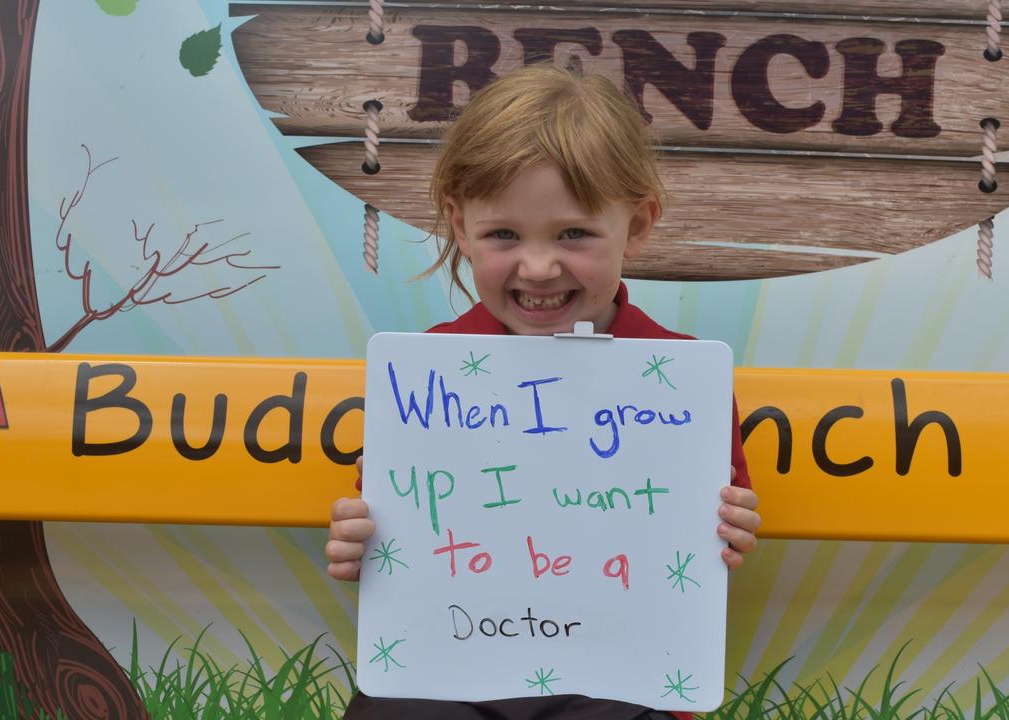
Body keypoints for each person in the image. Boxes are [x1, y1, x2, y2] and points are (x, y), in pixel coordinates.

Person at [326, 64, 762, 720]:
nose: (537, 267)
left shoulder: (679, 378)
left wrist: (731, 530)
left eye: (574, 234)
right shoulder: (429, 373)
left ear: (637, 225)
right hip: (452, 661)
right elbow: (392, 536)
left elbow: (713, 537)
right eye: (504, 234)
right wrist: (362, 541)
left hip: (617, 675)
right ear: (460, 225)